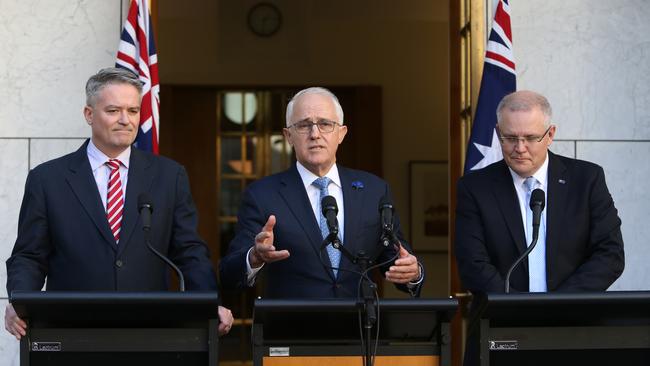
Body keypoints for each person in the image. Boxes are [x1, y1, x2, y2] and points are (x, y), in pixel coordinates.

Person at [5, 67, 233, 340]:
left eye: (133, 111)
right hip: (71, 331)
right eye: (113, 111)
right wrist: (19, 302)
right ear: (89, 115)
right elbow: (29, 255)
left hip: (149, 332)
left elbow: (189, 250)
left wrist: (209, 302)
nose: (125, 120)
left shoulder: (169, 176)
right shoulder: (48, 179)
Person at [219, 87, 424, 298]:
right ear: (288, 136)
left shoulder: (374, 190)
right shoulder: (262, 195)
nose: (315, 134)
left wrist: (413, 272)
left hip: (360, 327)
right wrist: (254, 257)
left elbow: (398, 259)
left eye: (325, 124)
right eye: (304, 125)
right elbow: (229, 274)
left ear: (341, 134)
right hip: (292, 326)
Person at [455, 90, 624, 294]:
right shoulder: (475, 188)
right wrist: (517, 308)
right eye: (510, 138)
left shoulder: (587, 179)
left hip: (574, 318)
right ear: (498, 133)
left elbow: (610, 254)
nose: (520, 148)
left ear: (550, 134)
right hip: (502, 320)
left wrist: (558, 305)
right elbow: (473, 264)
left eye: (530, 138)